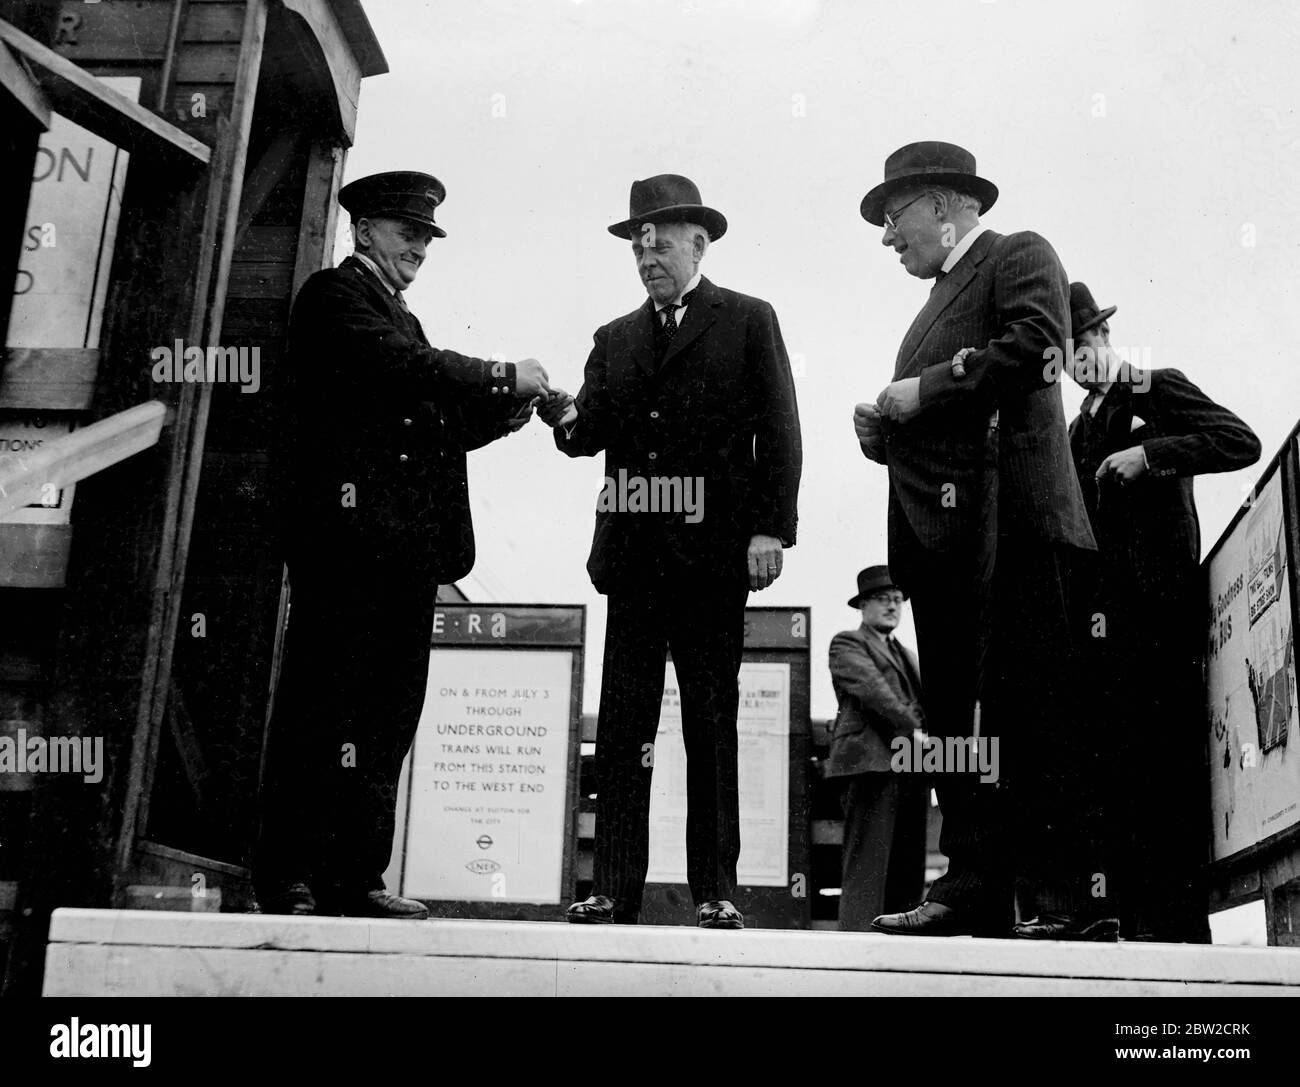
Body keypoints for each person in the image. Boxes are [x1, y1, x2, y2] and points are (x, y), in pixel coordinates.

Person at [255, 171, 551, 918]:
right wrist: (497, 373)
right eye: (405, 230)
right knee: (323, 706)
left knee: (384, 715)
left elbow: (422, 422)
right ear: (362, 231)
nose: (420, 245)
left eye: (425, 235)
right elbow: (398, 370)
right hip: (346, 547)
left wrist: (498, 417)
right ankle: (287, 871)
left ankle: (354, 877)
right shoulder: (334, 298)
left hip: (404, 557)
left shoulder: (397, 316)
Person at [854, 142, 1110, 939]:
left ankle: (1066, 897)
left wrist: (919, 390)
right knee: (964, 730)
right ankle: (973, 887)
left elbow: (1037, 348)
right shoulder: (938, 298)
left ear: (942, 205)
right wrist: (884, 430)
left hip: (1021, 529)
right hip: (951, 545)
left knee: (1035, 713)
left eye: (894, 219)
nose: (889, 239)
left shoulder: (1018, 255)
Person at [538, 174, 802, 929]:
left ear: (700, 243)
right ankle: (613, 888)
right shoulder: (614, 339)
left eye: (660, 244)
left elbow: (781, 432)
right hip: (633, 563)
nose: (648, 257)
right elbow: (584, 433)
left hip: (715, 559)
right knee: (624, 726)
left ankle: (715, 888)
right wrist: (557, 412)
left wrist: (769, 528)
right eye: (637, 247)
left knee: (710, 723)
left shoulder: (749, 320)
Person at [1064, 281, 1261, 942]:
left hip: (1162, 615)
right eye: (1063, 352)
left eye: (1082, 344)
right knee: (1118, 770)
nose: (1075, 361)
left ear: (1103, 337)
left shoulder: (1155, 387)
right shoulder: (1074, 429)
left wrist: (1150, 455)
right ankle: (1130, 926)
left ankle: (1179, 934)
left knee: (1169, 769)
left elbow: (1239, 440)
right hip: (1104, 632)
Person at [824, 566, 928, 930]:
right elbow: (872, 691)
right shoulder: (848, 643)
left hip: (912, 769)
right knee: (867, 865)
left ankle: (902, 947)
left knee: (908, 866)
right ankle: (856, 944)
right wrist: (913, 729)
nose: (892, 606)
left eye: (898, 600)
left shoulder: (907, 654)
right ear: (863, 605)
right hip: (870, 765)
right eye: (883, 599)